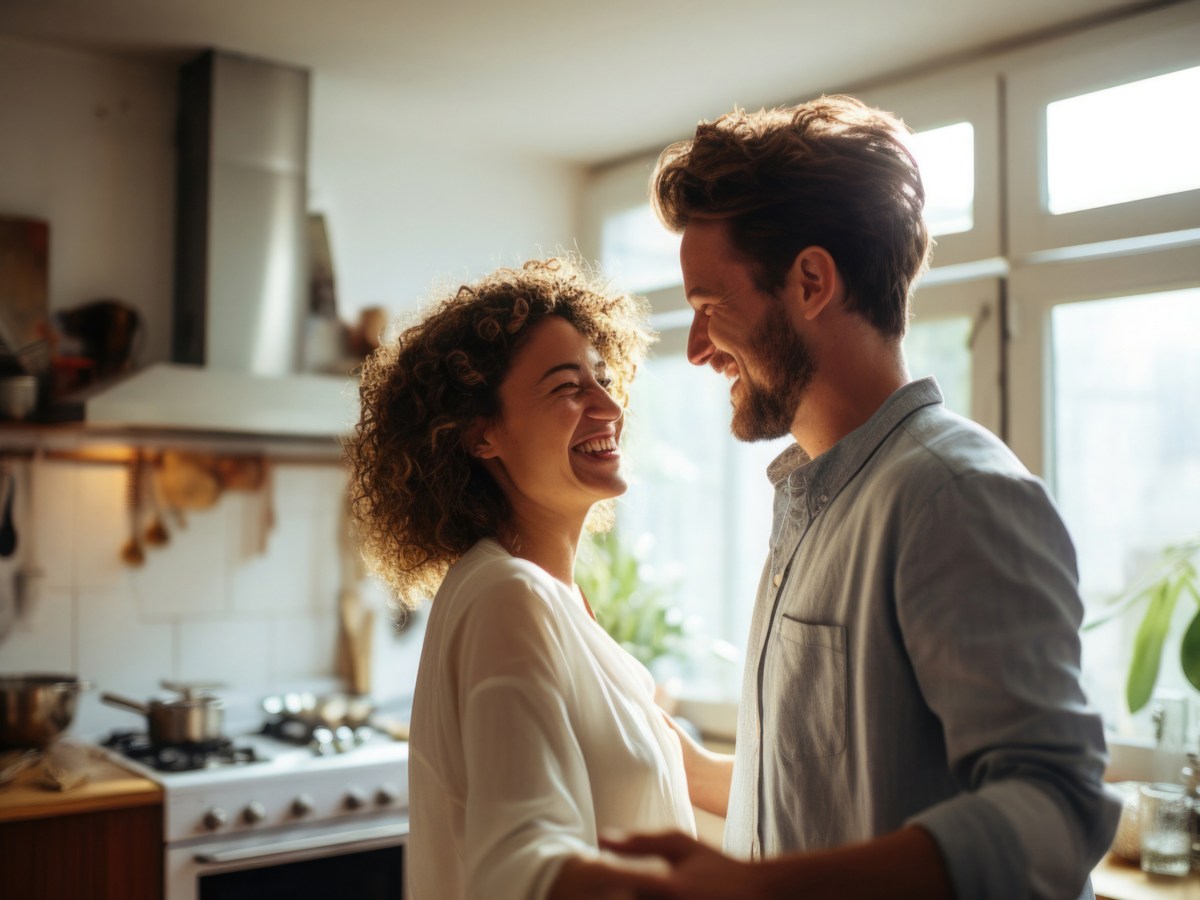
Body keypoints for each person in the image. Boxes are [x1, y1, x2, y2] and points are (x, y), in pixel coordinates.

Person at [604, 97, 1121, 899]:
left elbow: (1056, 809)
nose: (700, 348)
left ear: (811, 281)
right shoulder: (821, 499)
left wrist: (758, 891)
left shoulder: (954, 495)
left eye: (711, 307)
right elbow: (846, 778)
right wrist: (682, 763)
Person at [345, 258, 693, 900]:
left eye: (604, 377)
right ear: (482, 437)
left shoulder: (557, 601)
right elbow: (524, 862)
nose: (610, 405)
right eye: (568, 387)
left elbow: (691, 775)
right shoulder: (509, 596)